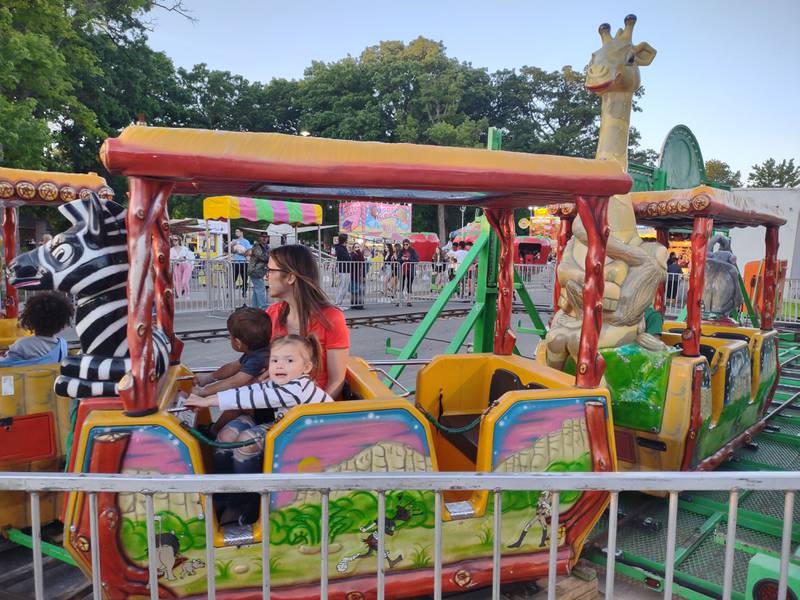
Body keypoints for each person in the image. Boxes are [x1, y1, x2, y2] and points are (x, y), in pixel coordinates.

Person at [265, 244, 349, 398]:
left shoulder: (331, 318)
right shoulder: (272, 314)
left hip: (314, 412)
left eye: (270, 270)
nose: (266, 276)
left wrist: (309, 414)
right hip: (277, 404)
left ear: (290, 277)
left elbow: (337, 380)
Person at [0, 292, 73, 366]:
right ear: (62, 323)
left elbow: (5, 364)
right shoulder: (62, 345)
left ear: (30, 320)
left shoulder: (22, 345)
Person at [248, 232, 270, 309]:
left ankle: (254, 308)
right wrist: (271, 258)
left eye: (266, 237)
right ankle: (264, 308)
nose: (264, 238)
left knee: (256, 290)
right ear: (259, 238)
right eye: (262, 237)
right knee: (261, 289)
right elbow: (262, 257)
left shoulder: (267, 247)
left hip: (260, 271)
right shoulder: (256, 246)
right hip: (254, 271)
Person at [396, 238, 419, 307]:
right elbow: (398, 260)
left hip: (410, 270)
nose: (405, 245)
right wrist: (402, 259)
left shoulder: (412, 251)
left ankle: (409, 301)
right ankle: (399, 301)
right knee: (401, 285)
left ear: (409, 244)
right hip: (402, 270)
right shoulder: (401, 251)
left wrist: (408, 259)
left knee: (409, 285)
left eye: (407, 244)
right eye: (404, 244)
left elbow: (417, 260)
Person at [231, 228, 252, 300]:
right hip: (235, 262)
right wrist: (232, 246)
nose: (236, 233)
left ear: (241, 232)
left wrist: (242, 253)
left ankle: (244, 292)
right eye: (235, 231)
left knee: (244, 278)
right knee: (233, 278)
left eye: (237, 231)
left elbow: (249, 252)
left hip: (243, 263)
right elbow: (232, 251)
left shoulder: (246, 241)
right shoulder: (234, 241)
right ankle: (230, 292)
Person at [333, 234, 351, 310]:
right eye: (347, 238)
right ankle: (338, 304)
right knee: (343, 287)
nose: (348, 239)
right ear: (345, 240)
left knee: (343, 287)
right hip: (343, 269)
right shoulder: (340, 248)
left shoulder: (341, 247)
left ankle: (339, 303)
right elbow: (347, 258)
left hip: (344, 269)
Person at [350, 243, 366, 309]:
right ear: (353, 247)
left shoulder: (360, 254)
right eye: (355, 247)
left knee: (360, 289)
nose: (357, 248)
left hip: (360, 273)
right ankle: (354, 304)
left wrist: (359, 251)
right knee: (355, 289)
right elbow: (357, 261)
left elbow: (362, 260)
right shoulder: (352, 254)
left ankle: (359, 304)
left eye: (358, 247)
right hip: (354, 273)